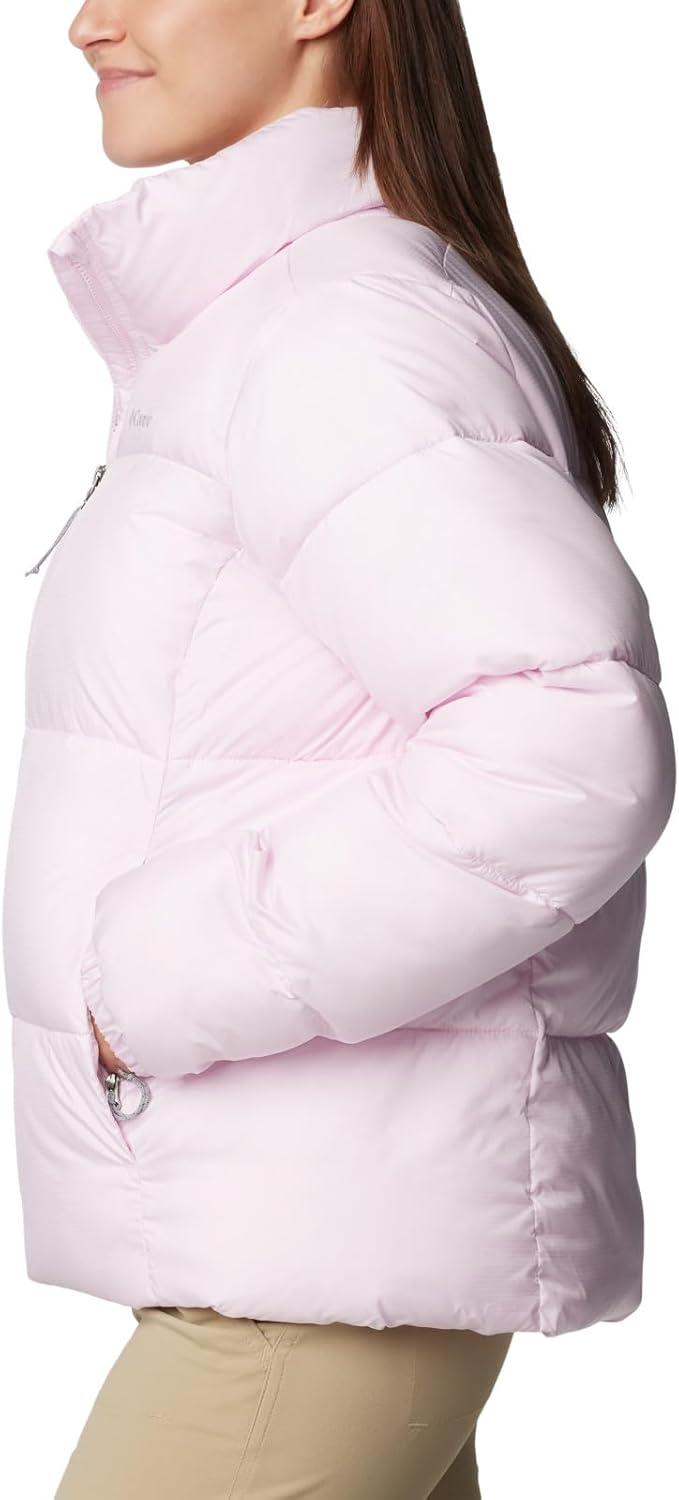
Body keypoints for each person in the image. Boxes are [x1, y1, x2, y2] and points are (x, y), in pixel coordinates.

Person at [2, 1, 674, 1497]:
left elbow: (565, 746)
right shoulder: (271, 328)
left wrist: (146, 977)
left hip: (306, 1283)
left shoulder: (337, 334)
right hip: (302, 1250)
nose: (85, 22)